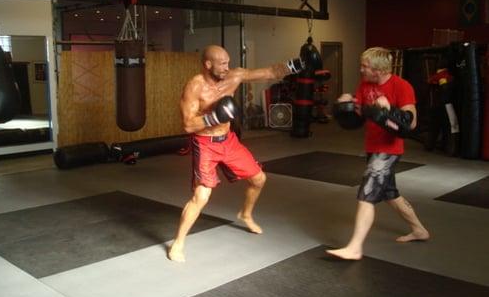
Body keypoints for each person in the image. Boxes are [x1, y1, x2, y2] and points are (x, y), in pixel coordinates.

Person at [168, 44, 305, 262]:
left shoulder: (234, 76)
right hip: (205, 144)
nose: (227, 67)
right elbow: (187, 125)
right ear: (208, 64)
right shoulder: (194, 87)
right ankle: (178, 243)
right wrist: (214, 117)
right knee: (201, 196)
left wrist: (297, 64)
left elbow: (270, 72)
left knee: (259, 179)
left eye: (228, 62)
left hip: (229, 141)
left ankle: (246, 214)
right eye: (222, 64)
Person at [327, 47, 430, 260]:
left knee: (367, 192)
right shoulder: (365, 85)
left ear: (379, 70)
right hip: (373, 147)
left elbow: (411, 121)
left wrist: (390, 109)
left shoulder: (401, 86)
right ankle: (419, 230)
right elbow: (358, 117)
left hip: (389, 150)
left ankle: (355, 247)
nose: (361, 69)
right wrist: (347, 104)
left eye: (365, 66)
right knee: (390, 194)